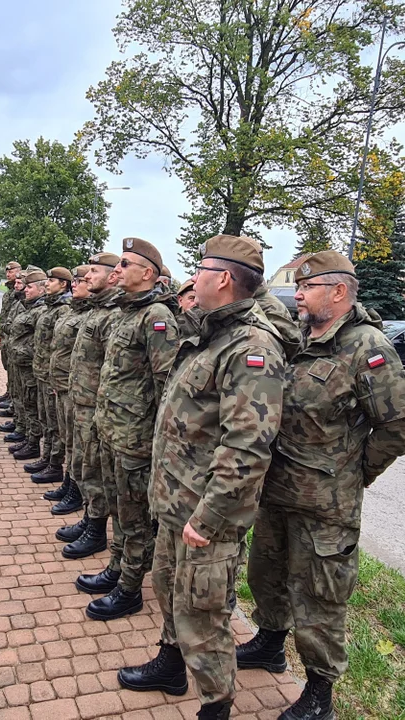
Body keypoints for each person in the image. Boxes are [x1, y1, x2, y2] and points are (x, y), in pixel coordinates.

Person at [239, 250, 405, 720]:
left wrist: (352, 475)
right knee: (266, 574)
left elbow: (397, 430)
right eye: (297, 284)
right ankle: (270, 644)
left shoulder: (367, 347)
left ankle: (319, 695)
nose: (297, 293)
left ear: (338, 291)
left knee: (319, 598)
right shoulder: (300, 337)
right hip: (277, 491)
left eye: (307, 286)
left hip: (325, 506)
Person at [117, 234, 287, 720]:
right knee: (169, 589)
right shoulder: (209, 334)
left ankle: (216, 707)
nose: (192, 277)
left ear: (224, 279)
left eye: (200, 268)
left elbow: (248, 445)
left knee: (205, 614)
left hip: (203, 514)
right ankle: (170, 666)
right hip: (177, 502)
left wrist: (210, 516)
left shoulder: (251, 347)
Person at [85, 237, 179, 622]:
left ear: (148, 274)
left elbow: (166, 387)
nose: (117, 271)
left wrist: (156, 444)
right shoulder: (126, 311)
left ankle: (129, 589)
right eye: (118, 264)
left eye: (125, 264)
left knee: (135, 517)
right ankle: (116, 568)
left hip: (135, 441)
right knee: (120, 512)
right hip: (112, 431)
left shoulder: (157, 317)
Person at [60, 253, 123, 561]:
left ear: (112, 277)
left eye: (94, 271)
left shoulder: (114, 314)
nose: (86, 277)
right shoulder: (97, 311)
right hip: (82, 401)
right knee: (87, 465)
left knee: (96, 470)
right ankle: (90, 517)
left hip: (99, 408)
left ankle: (97, 530)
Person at [44, 266, 93, 513]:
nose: (76, 284)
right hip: (66, 386)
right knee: (69, 441)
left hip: (82, 393)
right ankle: (68, 483)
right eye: (74, 280)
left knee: (79, 447)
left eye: (81, 280)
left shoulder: (92, 314)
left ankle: (77, 493)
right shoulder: (73, 311)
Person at [28, 267, 73, 483]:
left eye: (52, 280)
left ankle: (54, 464)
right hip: (44, 372)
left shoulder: (63, 309)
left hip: (54, 376)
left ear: (64, 284)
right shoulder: (50, 306)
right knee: (46, 419)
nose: (47, 284)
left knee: (55, 424)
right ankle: (47, 458)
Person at [5, 269, 48, 461]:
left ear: (41, 289)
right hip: (21, 362)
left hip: (31, 366)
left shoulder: (41, 310)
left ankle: (32, 442)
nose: (25, 290)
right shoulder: (29, 306)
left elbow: (42, 343)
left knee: (32, 404)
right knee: (25, 400)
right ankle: (27, 436)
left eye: (29, 287)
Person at [0, 261, 22, 418]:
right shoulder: (9, 292)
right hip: (5, 333)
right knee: (8, 365)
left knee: (12, 368)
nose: (8, 274)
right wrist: (0, 332)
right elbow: (5, 314)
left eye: (11, 272)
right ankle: (9, 392)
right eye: (7, 272)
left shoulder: (17, 293)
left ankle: (13, 396)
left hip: (13, 335)